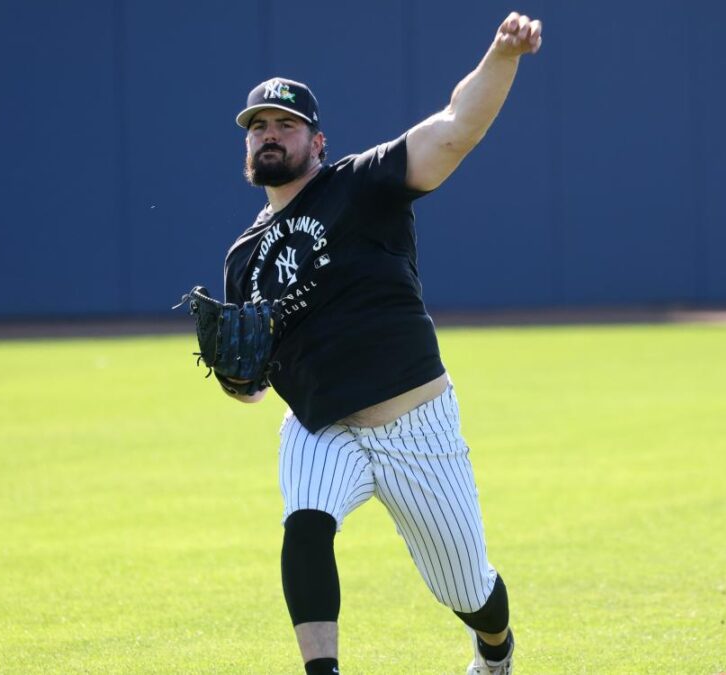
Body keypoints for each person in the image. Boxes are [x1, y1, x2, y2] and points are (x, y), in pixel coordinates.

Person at [221, 12, 542, 675]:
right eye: (258, 126)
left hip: (416, 424)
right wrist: (238, 380)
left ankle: (496, 648)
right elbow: (250, 380)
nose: (269, 134)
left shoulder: (362, 186)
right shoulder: (243, 258)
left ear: (317, 141)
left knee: (467, 589)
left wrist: (503, 54)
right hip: (321, 426)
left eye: (285, 124)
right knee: (306, 523)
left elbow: (455, 128)